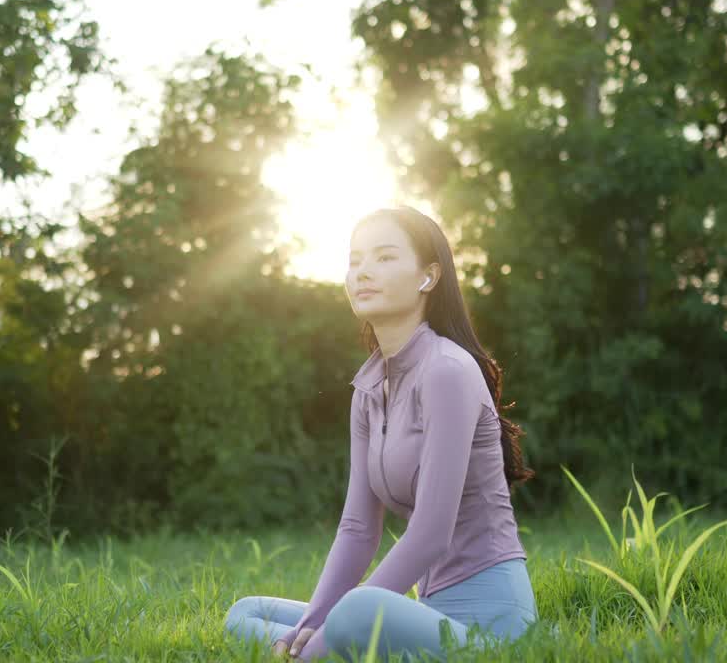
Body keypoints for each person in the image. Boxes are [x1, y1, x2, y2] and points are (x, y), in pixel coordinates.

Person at [223, 205, 537, 661]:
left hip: (488, 628)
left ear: (427, 277)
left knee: (358, 608)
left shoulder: (447, 371)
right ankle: (314, 647)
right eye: (355, 260)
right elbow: (356, 528)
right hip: (422, 612)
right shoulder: (370, 389)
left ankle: (311, 653)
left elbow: (432, 533)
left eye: (385, 257)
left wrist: (334, 624)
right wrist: (314, 623)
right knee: (246, 611)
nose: (363, 271)